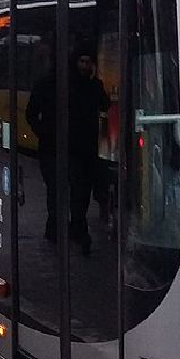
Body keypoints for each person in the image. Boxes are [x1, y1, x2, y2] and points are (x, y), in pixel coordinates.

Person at [26, 47, 110, 254]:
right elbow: (32, 114)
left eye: (88, 61)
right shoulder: (50, 85)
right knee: (60, 191)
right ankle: (60, 229)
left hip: (80, 151)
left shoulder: (91, 86)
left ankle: (72, 229)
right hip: (56, 149)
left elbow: (104, 105)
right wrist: (45, 134)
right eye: (81, 61)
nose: (84, 66)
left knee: (77, 192)